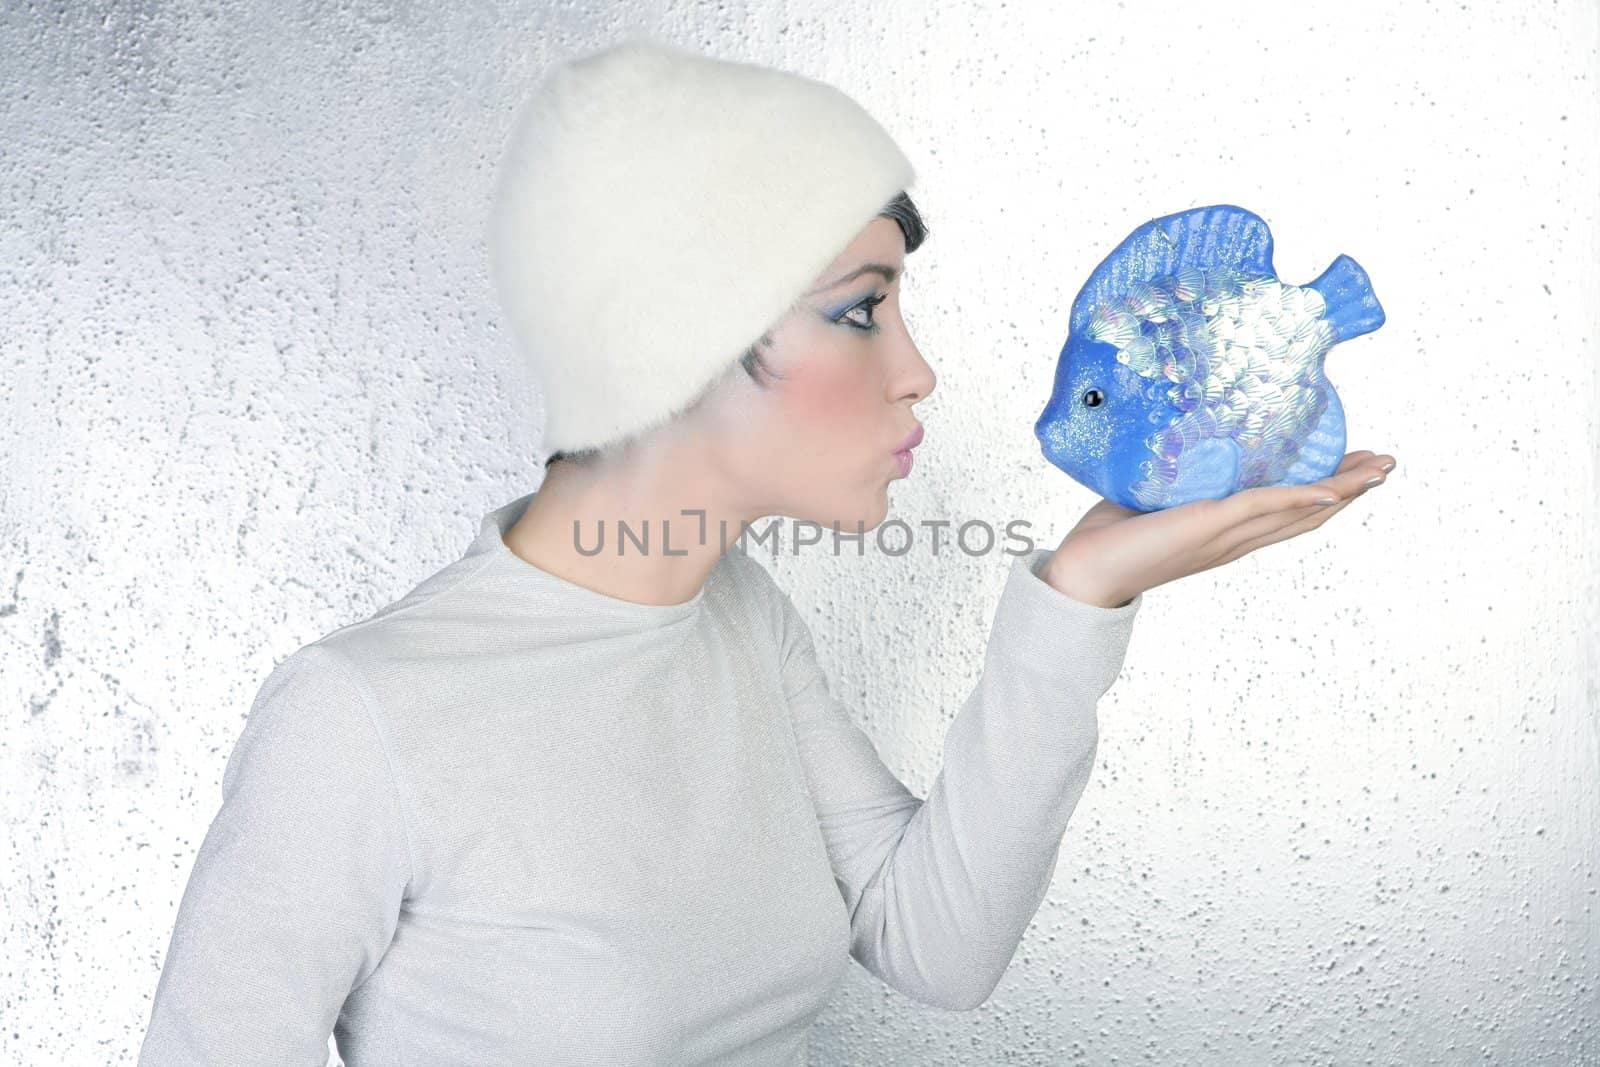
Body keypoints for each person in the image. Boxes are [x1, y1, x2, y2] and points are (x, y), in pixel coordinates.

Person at [136, 36, 1395, 1067]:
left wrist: (1077, 595)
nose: (917, 371)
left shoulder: (739, 616)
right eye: (858, 310)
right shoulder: (360, 715)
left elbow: (935, 946)